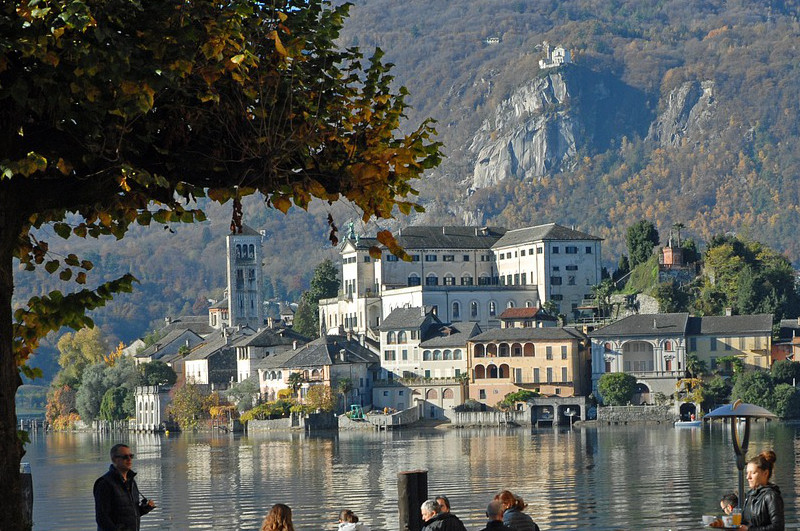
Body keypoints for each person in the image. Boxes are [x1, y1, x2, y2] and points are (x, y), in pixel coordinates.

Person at [94, 443, 155, 531]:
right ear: (114, 459)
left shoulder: (132, 482)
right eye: (125, 457)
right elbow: (102, 518)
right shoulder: (104, 483)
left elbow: (129, 513)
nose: (129, 459)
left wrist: (145, 509)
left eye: (131, 456)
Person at [739, 450, 784, 531]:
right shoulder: (750, 495)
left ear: (765, 473)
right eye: (747, 473)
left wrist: (749, 530)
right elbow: (745, 524)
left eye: (753, 473)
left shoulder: (771, 496)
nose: (748, 477)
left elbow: (778, 527)